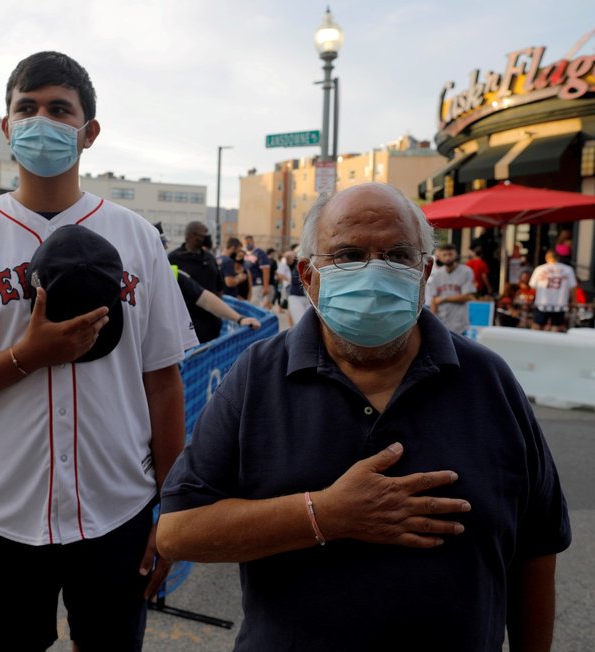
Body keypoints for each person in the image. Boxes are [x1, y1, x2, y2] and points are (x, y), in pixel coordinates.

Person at [157, 183, 570, 651]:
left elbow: (537, 547)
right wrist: (324, 515)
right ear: (307, 276)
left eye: (397, 255)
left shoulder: (488, 380)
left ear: (425, 272)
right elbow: (177, 531)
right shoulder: (257, 377)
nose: (373, 274)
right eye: (348, 255)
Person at [0, 51, 197, 652]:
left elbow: (163, 383)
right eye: (26, 109)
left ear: (89, 132)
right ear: (6, 128)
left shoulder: (136, 238)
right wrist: (25, 356)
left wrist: (173, 509)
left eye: (60, 110)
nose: (41, 121)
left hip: (117, 511)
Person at [169, 221, 224, 343]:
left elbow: (219, 288)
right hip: (187, 325)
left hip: (211, 323)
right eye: (204, 233)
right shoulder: (174, 258)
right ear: (194, 235)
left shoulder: (209, 258)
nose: (207, 236)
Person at [426, 242, 476, 335]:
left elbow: (467, 297)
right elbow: (434, 300)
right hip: (441, 322)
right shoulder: (437, 274)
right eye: (444, 255)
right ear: (440, 257)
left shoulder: (466, 271)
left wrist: (444, 298)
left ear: (456, 255)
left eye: (450, 254)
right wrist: (432, 320)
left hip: (459, 323)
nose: (447, 257)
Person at [529, 249, 578, 332]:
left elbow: (533, 286)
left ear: (546, 257)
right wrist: (573, 301)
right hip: (560, 303)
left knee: (537, 326)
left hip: (542, 303)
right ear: (558, 258)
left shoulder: (540, 269)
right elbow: (573, 287)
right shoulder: (568, 269)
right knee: (556, 327)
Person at [242, 235, 273, 308]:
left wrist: (265, 286)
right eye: (246, 243)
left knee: (255, 306)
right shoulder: (245, 254)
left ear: (253, 242)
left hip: (258, 284)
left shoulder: (259, 253)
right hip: (249, 285)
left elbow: (266, 269)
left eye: (249, 242)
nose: (247, 244)